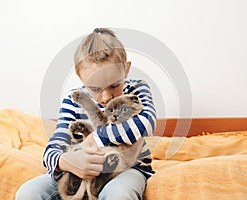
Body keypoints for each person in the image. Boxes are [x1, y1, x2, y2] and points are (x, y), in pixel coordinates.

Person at [15, 28, 156, 200]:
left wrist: (97, 138)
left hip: (126, 170)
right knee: (28, 192)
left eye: (114, 86)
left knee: (118, 194)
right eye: (95, 88)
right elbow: (54, 147)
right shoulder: (73, 100)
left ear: (126, 70)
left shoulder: (137, 89)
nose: (105, 97)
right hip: (78, 174)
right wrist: (66, 162)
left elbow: (147, 123)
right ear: (80, 76)